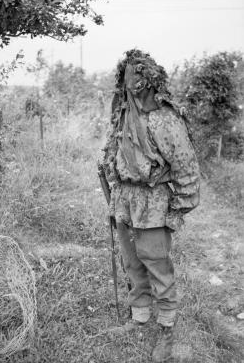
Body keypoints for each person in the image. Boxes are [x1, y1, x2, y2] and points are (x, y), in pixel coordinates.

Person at [102, 49, 200, 362]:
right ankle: (140, 316)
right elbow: (113, 149)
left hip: (153, 201)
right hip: (125, 201)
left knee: (157, 264)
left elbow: (186, 168)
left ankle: (167, 328)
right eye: (127, 74)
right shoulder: (123, 114)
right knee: (132, 263)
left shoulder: (164, 119)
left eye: (139, 74)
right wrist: (108, 169)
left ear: (150, 79)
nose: (132, 81)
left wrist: (178, 208)